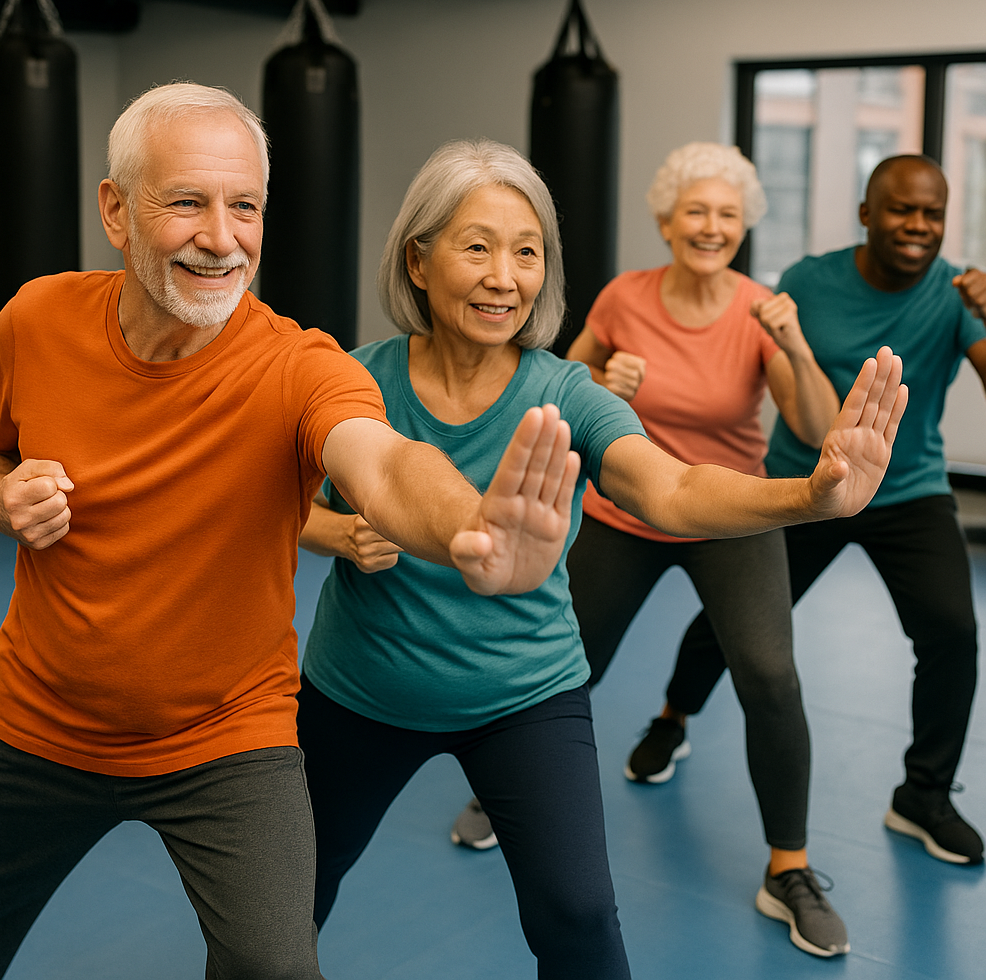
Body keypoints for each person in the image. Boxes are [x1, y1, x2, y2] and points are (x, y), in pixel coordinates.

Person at [0, 84, 582, 980]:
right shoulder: (37, 319)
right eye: (186, 202)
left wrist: (468, 529)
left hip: (225, 744)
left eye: (244, 205)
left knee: (275, 968)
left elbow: (383, 461)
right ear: (115, 210)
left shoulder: (297, 364)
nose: (222, 237)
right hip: (38, 729)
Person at [296, 138, 906, 979]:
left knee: (581, 921)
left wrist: (810, 497)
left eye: (527, 252)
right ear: (418, 260)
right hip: (359, 695)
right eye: (477, 247)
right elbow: (283, 508)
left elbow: (673, 490)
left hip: (524, 697)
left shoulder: (564, 393)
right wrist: (339, 533)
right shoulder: (352, 383)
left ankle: (788, 861)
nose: (505, 277)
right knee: (287, 904)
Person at [552, 141, 847, 958]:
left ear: (743, 226)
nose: (710, 227)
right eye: (695, 212)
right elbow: (553, 388)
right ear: (665, 220)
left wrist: (794, 345)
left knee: (770, 674)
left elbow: (819, 433)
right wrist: (597, 388)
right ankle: (521, 801)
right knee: (566, 663)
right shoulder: (623, 298)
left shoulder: (760, 307)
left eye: (726, 215)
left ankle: (789, 868)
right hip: (628, 508)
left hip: (728, 510)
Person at [654, 153, 986, 870]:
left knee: (954, 633)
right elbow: (763, 370)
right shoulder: (807, 280)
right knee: (731, 623)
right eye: (901, 210)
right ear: (867, 214)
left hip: (908, 491)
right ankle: (673, 715)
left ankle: (922, 795)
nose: (917, 226)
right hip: (802, 486)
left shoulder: (958, 295)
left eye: (932, 213)